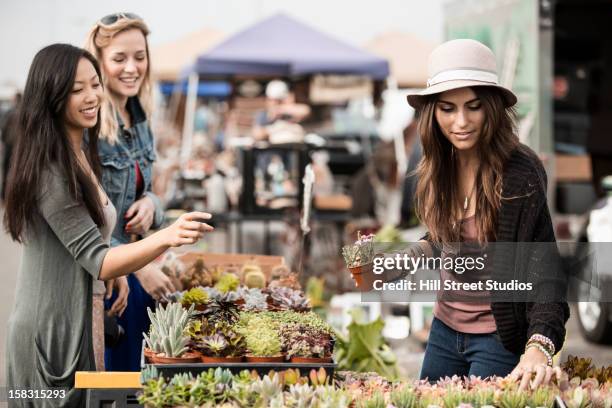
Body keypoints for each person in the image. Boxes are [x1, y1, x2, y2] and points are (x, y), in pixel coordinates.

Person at [3, 43, 213, 407]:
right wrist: (167, 236)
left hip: (78, 321)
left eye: (94, 84)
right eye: (75, 89)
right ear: (50, 97)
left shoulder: (80, 153)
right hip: (48, 334)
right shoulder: (52, 169)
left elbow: (90, 244)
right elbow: (97, 259)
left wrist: (113, 270)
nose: (91, 96)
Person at [402, 39, 569, 388]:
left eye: (473, 106)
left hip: (497, 339)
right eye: (447, 108)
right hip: (443, 332)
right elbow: (454, 239)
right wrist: (410, 255)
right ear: (433, 112)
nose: (460, 122)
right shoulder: (438, 164)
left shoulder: (520, 171)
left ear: (491, 107)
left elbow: (547, 270)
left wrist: (540, 344)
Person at [85, 13, 175, 371]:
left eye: (139, 56)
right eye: (119, 58)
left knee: (139, 377)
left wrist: (151, 204)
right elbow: (84, 221)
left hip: (139, 264)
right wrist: (139, 269)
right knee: (114, 380)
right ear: (99, 63)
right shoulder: (90, 123)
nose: (131, 67)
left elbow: (152, 192)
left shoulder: (140, 121)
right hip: (109, 279)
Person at [1, 92, 21, 201]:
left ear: (15, 100)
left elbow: (3, 128)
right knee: (16, 171)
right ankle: (14, 197)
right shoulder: (25, 112)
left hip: (9, 145)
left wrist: (3, 142)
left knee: (6, 171)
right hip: (19, 147)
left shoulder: (10, 112)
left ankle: (4, 196)